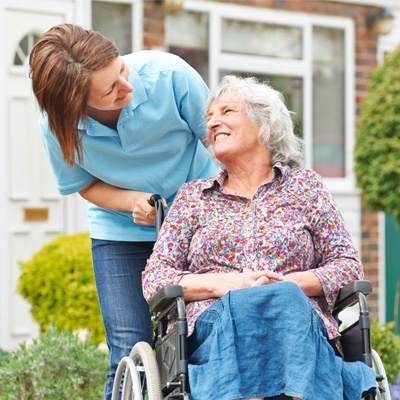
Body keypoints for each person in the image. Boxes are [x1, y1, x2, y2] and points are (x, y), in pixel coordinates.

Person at [142, 75, 377, 400]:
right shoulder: (194, 197)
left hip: (296, 324)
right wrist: (224, 284)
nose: (213, 122)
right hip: (216, 324)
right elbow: (155, 278)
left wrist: (288, 284)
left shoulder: (305, 187)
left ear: (264, 124)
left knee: (284, 300)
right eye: (210, 117)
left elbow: (348, 267)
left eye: (226, 111)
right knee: (245, 304)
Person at [28, 23, 219, 399]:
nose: (126, 88)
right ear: (75, 106)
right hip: (121, 235)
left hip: (200, 223)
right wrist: (131, 201)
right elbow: (84, 185)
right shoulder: (57, 127)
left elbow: (222, 141)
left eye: (122, 72)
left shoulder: (170, 76)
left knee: (204, 337)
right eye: (111, 91)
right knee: (129, 354)